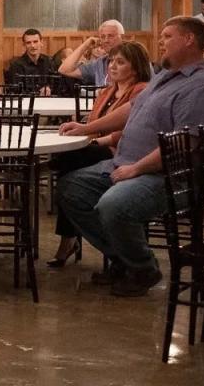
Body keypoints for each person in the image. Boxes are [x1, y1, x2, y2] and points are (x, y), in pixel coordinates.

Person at [57, 17, 204, 297]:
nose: (161, 42)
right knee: (70, 188)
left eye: (167, 36)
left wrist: (136, 168)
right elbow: (130, 109)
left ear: (189, 40)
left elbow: (185, 144)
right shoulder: (165, 75)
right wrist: (86, 127)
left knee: (114, 204)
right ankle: (124, 259)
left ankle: (142, 268)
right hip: (124, 163)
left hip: (167, 176)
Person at [46, 41, 151, 267]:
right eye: (111, 61)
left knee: (68, 161)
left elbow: (132, 132)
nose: (112, 66)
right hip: (98, 148)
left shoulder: (141, 90)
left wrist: (93, 138)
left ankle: (70, 239)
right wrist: (84, 131)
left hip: (121, 153)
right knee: (69, 165)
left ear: (135, 67)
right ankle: (69, 238)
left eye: (120, 62)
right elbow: (93, 123)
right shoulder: (106, 92)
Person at [58, 19, 125, 86]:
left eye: (110, 36)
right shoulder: (99, 63)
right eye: (103, 37)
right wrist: (86, 44)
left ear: (122, 37)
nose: (106, 40)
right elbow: (64, 70)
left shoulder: (131, 59)